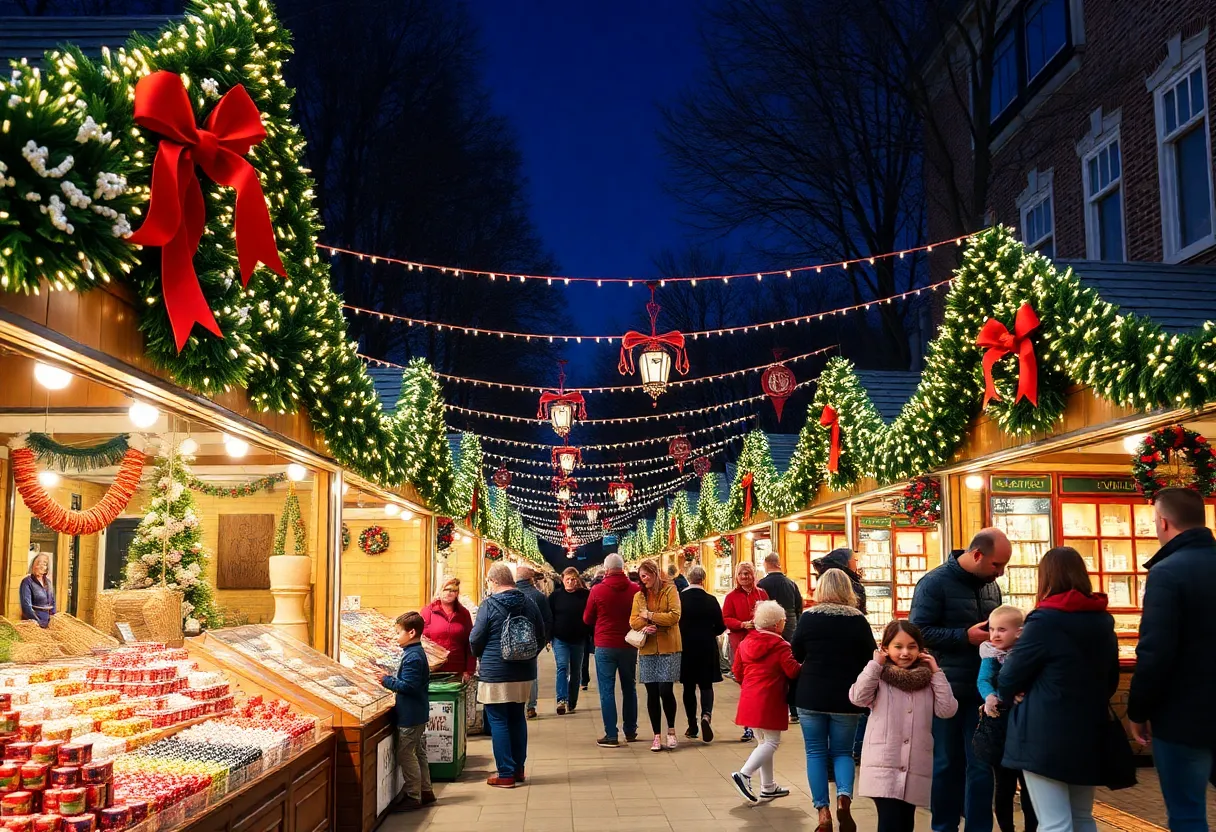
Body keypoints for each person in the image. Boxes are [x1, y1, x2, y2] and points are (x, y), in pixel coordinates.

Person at [999, 547, 1118, 832]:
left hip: (1044, 732)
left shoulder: (1044, 621)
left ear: (1046, 578)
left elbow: (1009, 675)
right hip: (1089, 727)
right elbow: (1110, 678)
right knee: (1082, 816)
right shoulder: (1103, 619)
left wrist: (1015, 691)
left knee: (1054, 821)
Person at [1128, 487, 1216, 831]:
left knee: (1187, 811)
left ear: (1163, 522)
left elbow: (1155, 652)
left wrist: (1139, 710)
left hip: (1183, 716)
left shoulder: (1167, 573)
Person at [909, 528, 1008, 832]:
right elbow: (917, 632)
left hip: (984, 692)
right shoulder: (933, 583)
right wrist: (964, 637)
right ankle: (944, 827)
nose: (1000, 573)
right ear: (977, 554)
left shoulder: (992, 588)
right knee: (946, 765)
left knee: (981, 766)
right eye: (996, 565)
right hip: (947, 689)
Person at [851, 621, 957, 832]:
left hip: (915, 765)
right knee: (890, 822)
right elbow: (858, 697)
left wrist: (936, 672)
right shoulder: (879, 676)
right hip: (884, 764)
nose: (905, 652)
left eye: (912, 646)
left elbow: (947, 709)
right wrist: (874, 665)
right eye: (898, 646)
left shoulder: (928, 680)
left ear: (921, 650)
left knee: (906, 822)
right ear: (886, 648)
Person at [792, 569, 876, 832]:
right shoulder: (858, 620)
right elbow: (870, 656)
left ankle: (823, 813)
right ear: (848, 590)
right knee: (843, 752)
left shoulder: (808, 618)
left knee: (815, 752)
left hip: (811, 694)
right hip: (847, 697)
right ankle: (843, 798)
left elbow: (796, 652)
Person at [469, 563, 547, 788]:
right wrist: (527, 656)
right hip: (524, 672)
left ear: (493, 581)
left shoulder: (489, 605)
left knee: (498, 720)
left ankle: (505, 773)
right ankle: (519, 769)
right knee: (517, 717)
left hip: (495, 672)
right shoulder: (529, 602)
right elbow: (541, 635)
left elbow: (476, 638)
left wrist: (481, 655)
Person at [730, 600, 802, 804]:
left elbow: (737, 671)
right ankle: (744, 774)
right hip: (769, 698)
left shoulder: (745, 643)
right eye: (783, 620)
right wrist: (806, 665)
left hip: (749, 697)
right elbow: (792, 671)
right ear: (776, 624)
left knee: (763, 742)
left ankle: (768, 786)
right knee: (771, 742)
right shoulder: (781, 646)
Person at [977, 606, 1036, 832]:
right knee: (1004, 785)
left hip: (1025, 726)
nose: (995, 635)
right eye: (992, 629)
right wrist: (993, 696)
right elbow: (983, 680)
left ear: (1019, 632)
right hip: (1001, 726)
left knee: (1029, 785)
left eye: (1002, 629)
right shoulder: (992, 653)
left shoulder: (1029, 653)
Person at [584, 553, 641, 747]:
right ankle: (631, 730)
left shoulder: (597, 590)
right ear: (623, 568)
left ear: (606, 570)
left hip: (605, 645)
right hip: (629, 644)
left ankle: (611, 734)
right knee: (629, 687)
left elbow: (587, 619)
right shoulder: (635, 589)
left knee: (607, 691)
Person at [379, 611, 433, 811]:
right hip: (418, 711)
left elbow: (409, 686)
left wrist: (386, 680)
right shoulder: (415, 653)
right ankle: (426, 791)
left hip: (410, 715)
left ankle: (413, 795)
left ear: (411, 632)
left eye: (398, 632)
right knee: (418, 752)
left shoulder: (413, 657)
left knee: (406, 754)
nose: (396, 636)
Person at [630, 558, 684, 751]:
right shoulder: (639, 596)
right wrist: (646, 625)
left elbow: (675, 616)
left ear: (654, 573)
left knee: (665, 690)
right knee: (652, 692)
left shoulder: (670, 590)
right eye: (641, 576)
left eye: (646, 575)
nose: (643, 579)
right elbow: (633, 621)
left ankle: (671, 731)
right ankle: (656, 735)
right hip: (648, 649)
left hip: (669, 647)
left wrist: (650, 616)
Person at [679, 565, 725, 742]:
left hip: (686, 647)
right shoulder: (711, 600)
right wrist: (709, 632)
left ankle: (692, 725)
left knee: (688, 687)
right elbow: (721, 626)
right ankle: (706, 715)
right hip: (707, 646)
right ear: (703, 579)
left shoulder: (680, 598)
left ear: (689, 578)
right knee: (706, 685)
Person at [723, 561, 769, 741]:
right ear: (737, 576)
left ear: (753, 575)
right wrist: (742, 624)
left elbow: (770, 613)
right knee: (746, 685)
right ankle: (748, 724)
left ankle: (762, 721)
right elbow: (726, 618)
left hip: (761, 643)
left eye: (747, 573)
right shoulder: (731, 597)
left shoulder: (762, 594)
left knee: (762, 683)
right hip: (742, 644)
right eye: (741, 574)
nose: (744, 577)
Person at [758, 551, 805, 722]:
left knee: (772, 667)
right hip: (791, 625)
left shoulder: (762, 584)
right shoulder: (790, 583)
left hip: (771, 627)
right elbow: (799, 606)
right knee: (790, 666)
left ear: (765, 564)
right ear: (778, 563)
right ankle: (794, 710)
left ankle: (774, 707)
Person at [549, 567, 590, 715]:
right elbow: (550, 616)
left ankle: (572, 701)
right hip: (560, 638)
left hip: (578, 639)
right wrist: (549, 636)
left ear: (577, 580)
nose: (570, 582)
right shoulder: (555, 596)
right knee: (562, 667)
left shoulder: (585, 595)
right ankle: (562, 699)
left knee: (576, 670)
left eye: (573, 579)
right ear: (562, 579)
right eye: (568, 579)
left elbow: (591, 614)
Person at [515, 564, 553, 720]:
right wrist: (544, 640)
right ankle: (531, 706)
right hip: (534, 642)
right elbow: (547, 620)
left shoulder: (511, 594)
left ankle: (517, 703)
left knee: (514, 673)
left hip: (513, 642)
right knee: (531, 672)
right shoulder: (539, 596)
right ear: (531, 579)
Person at [421, 577, 476, 677]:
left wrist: (469, 669)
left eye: (453, 590)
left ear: (457, 593)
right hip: (433, 670)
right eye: (446, 589)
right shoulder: (427, 612)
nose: (449, 593)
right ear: (439, 591)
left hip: (457, 670)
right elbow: (422, 641)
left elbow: (470, 643)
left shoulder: (464, 614)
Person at [812, 548, 867, 614]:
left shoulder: (827, 576)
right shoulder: (845, 579)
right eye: (855, 560)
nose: (856, 562)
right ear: (847, 562)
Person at [20, 553, 55, 628]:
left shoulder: (48, 582)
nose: (41, 566)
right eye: (38, 563)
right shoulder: (27, 582)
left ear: (47, 568)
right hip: (33, 624)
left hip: (49, 623)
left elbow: (52, 602)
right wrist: (37, 622)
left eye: (45, 564)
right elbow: (26, 607)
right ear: (33, 566)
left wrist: (53, 620)